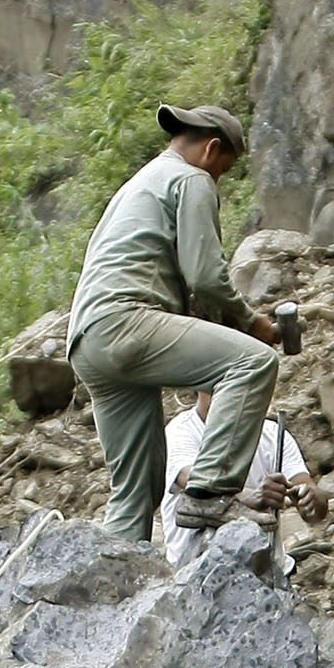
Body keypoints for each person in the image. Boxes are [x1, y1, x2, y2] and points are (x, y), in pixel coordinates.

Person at [65, 103, 285, 542]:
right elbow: (205, 276)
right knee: (254, 364)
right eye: (223, 170)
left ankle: (111, 583)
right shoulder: (192, 179)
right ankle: (209, 492)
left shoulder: (140, 183)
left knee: (136, 489)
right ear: (212, 149)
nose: (217, 179)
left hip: (88, 342)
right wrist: (250, 322)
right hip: (128, 321)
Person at [160, 387, 329, 567]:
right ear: (198, 385)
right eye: (216, 386)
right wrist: (250, 496)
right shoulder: (180, 432)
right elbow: (195, 482)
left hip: (268, 574)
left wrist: (309, 498)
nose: (227, 394)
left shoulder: (271, 434)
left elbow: (311, 501)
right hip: (197, 574)